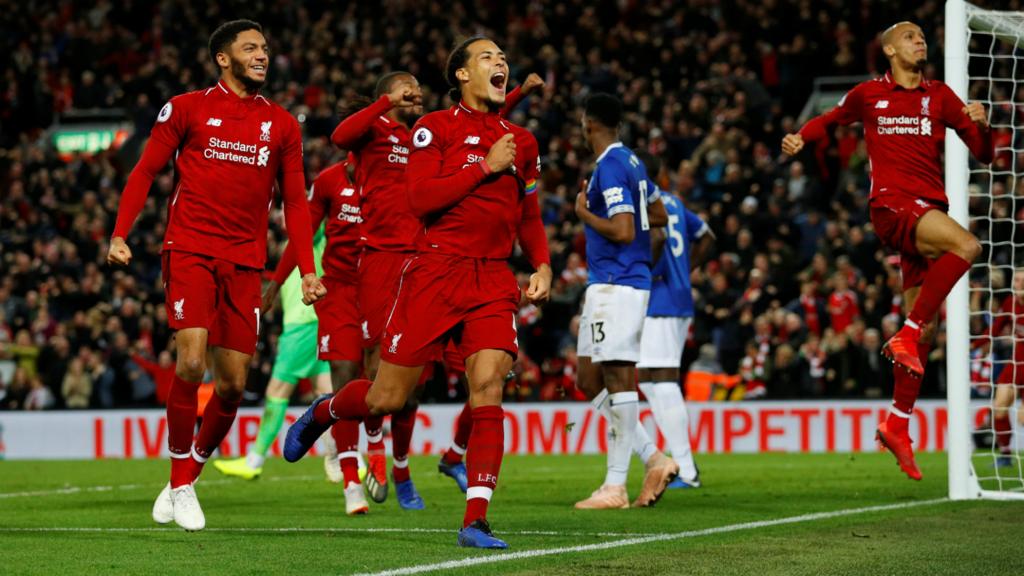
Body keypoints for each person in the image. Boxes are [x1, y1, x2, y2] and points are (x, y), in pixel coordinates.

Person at [284, 36, 551, 549]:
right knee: (387, 397)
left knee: (489, 385)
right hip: (433, 273)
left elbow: (530, 214)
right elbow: (421, 198)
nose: (500, 62)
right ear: (461, 76)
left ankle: (475, 520)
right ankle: (326, 411)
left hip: (493, 278)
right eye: (487, 58)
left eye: (502, 57)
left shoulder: (523, 142)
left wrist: (541, 262)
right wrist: (484, 167)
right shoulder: (433, 130)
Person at [106, 20, 325, 531]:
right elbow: (145, 172)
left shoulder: (282, 125)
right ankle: (180, 483)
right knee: (191, 360)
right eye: (250, 48)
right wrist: (120, 233)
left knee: (232, 384)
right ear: (222, 58)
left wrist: (307, 271)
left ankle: (186, 477)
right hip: (190, 250)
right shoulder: (187, 108)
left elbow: (295, 200)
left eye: (266, 48)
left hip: (246, 262)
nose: (262, 55)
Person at [782, 21, 993, 480]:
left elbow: (985, 155)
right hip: (893, 206)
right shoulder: (868, 94)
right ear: (891, 50)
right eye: (912, 37)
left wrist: (981, 124)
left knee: (927, 337)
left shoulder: (941, 97)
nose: (921, 42)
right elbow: (830, 120)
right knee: (968, 245)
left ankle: (897, 424)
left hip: (927, 211)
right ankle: (907, 332)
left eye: (922, 37)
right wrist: (802, 135)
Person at [572, 93, 667, 510]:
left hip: (616, 282)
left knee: (617, 378)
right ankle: (652, 457)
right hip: (615, 282)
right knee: (587, 380)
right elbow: (659, 214)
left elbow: (625, 230)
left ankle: (614, 487)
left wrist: (584, 215)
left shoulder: (611, 167)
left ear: (588, 123)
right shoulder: (632, 162)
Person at [212, 223, 341, 484]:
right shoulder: (292, 247)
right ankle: (344, 459)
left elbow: (309, 224)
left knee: (276, 392)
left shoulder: (310, 236)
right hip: (315, 321)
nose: (283, 215)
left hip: (302, 326)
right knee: (326, 395)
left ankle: (254, 460)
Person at [628, 170, 715, 506]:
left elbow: (659, 238)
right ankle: (682, 463)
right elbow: (708, 235)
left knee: (662, 379)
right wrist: (687, 269)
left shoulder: (646, 203)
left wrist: (644, 273)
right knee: (651, 381)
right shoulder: (676, 203)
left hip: (660, 298)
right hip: (677, 296)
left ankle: (687, 469)